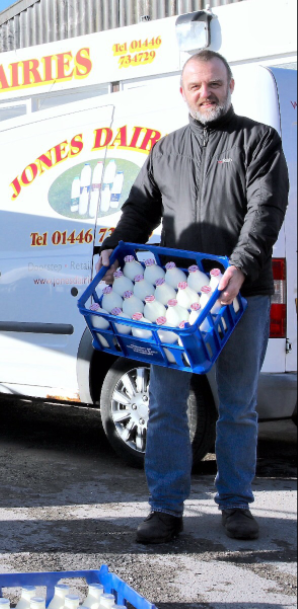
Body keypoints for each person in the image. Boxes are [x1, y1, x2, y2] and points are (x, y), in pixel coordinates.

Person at [99, 50, 289, 544]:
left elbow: (265, 209)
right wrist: (113, 247)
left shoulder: (258, 140)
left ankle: (236, 504)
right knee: (165, 405)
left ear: (230, 85)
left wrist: (241, 266)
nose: (206, 93)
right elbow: (140, 209)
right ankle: (165, 509)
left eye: (215, 84)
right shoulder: (166, 150)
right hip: (177, 299)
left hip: (239, 296)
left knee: (237, 407)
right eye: (196, 86)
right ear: (183, 93)